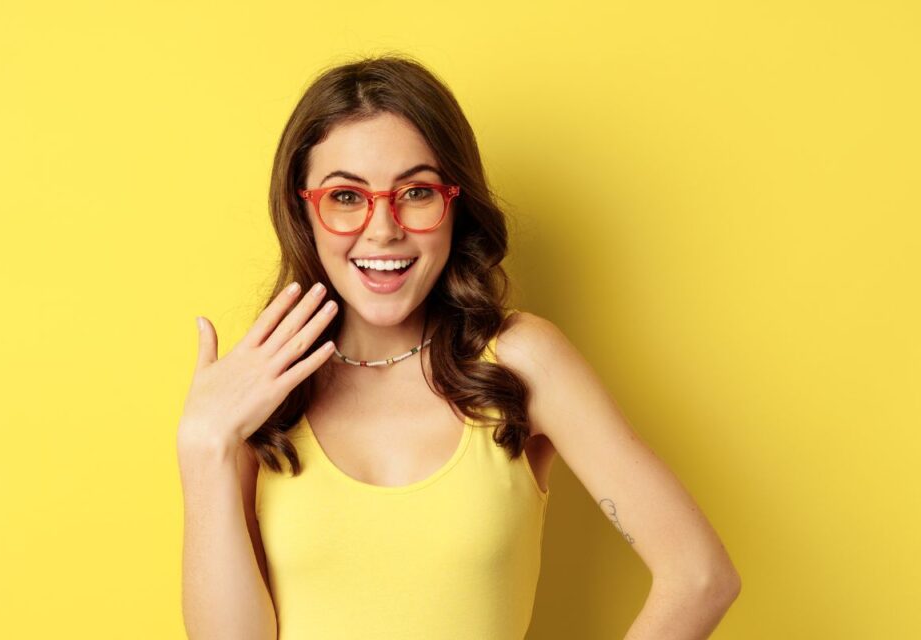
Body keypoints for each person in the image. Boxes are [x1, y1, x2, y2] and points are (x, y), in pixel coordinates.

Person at [176, 54, 741, 640]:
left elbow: (700, 576)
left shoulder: (520, 361)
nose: (383, 228)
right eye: (346, 197)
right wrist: (202, 448)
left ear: (455, 204)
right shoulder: (260, 390)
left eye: (416, 192)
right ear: (304, 210)